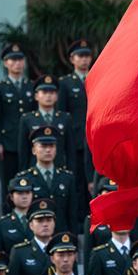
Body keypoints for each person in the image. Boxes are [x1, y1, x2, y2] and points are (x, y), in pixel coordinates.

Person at [0, 44, 36, 210]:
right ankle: (8, 215)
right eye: (13, 60)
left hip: (29, 143)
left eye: (20, 59)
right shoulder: (0, 87)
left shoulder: (31, 86)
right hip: (8, 143)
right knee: (9, 183)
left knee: (28, 180)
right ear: (5, 63)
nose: (17, 63)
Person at [13, 126, 77, 234]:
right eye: (43, 146)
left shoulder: (67, 178)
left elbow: (72, 214)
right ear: (34, 150)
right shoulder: (25, 178)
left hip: (61, 239)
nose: (48, 150)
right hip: (34, 237)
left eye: (51, 146)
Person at [57, 39, 93, 214]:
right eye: (80, 56)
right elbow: (62, 114)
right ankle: (80, 217)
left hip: (95, 137)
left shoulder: (97, 78)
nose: (84, 60)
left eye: (87, 56)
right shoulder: (65, 83)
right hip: (76, 139)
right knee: (78, 178)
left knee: (94, 179)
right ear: (72, 59)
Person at [16, 75, 75, 172]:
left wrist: (72, 173)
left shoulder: (65, 118)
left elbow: (70, 151)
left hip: (60, 170)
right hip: (35, 171)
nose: (48, 96)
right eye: (44, 92)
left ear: (56, 96)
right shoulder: (27, 119)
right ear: (36, 96)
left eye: (52, 92)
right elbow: (23, 152)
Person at [7, 199, 56, 275]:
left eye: (49, 220)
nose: (45, 224)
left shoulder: (63, 250)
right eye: (40, 221)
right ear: (31, 225)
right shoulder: (20, 252)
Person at [0, 176, 34, 253]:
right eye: (20, 193)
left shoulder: (38, 220)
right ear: (11, 197)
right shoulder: (2, 223)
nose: (24, 197)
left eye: (27, 192)